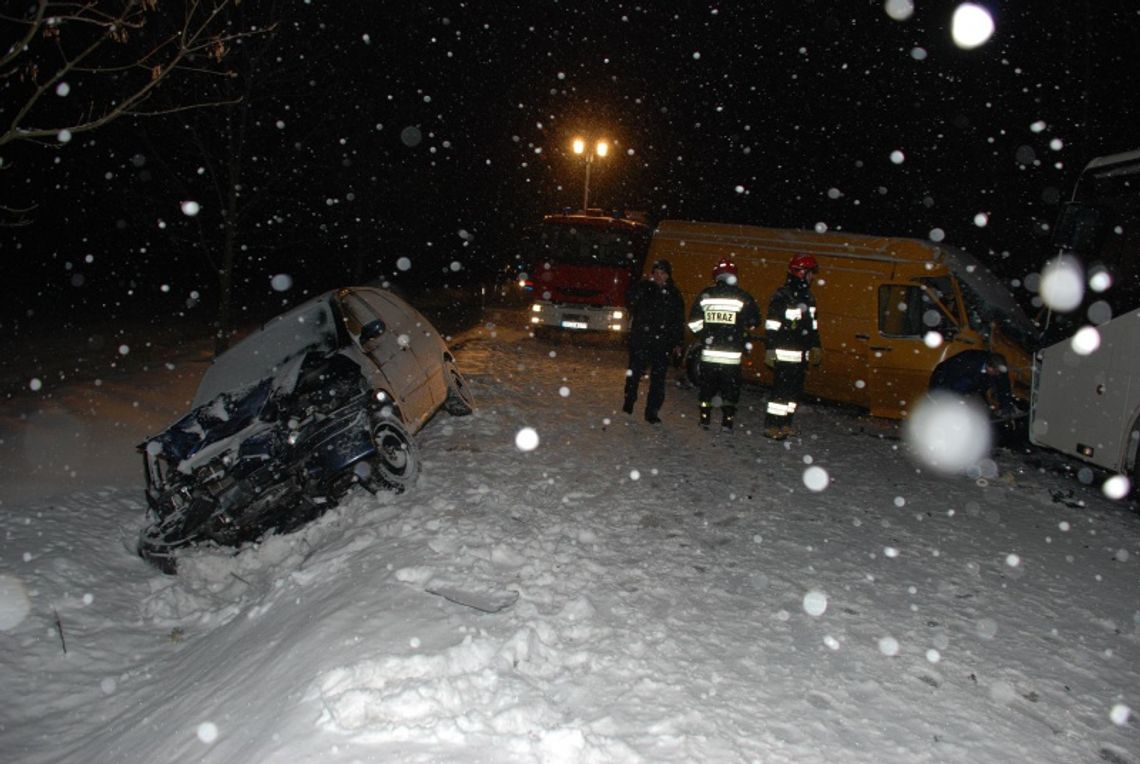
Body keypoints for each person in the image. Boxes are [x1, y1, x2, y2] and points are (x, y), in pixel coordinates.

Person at [687, 257, 761, 431]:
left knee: (706, 389)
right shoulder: (742, 296)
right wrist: (740, 330)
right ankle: (727, 422)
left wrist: (705, 335)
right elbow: (755, 321)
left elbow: (693, 322)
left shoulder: (706, 295)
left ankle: (704, 420)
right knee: (731, 390)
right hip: (732, 356)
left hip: (709, 355)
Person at [763, 254, 822, 440]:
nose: (812, 277)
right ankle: (772, 426)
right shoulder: (783, 295)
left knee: (793, 394)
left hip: (801, 354)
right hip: (784, 354)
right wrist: (771, 348)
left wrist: (815, 346)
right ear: (801, 273)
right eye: (810, 273)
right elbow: (772, 324)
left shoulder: (808, 297)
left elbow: (812, 326)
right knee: (780, 394)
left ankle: (786, 424)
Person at [622, 259, 686, 424]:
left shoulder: (674, 294)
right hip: (641, 339)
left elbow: (678, 320)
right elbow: (630, 299)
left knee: (658, 379)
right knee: (634, 374)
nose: (659, 276)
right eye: (656, 273)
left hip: (662, 343)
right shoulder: (644, 288)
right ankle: (629, 401)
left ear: (668, 276)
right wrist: (639, 287)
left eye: (662, 273)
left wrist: (678, 342)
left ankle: (652, 412)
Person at [929, 350, 1017, 416]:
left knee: (981, 408)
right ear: (989, 367)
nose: (998, 375)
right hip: (946, 379)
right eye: (996, 372)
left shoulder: (998, 370)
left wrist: (1006, 407)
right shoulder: (968, 363)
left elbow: (1004, 387)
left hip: (974, 386)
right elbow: (948, 378)